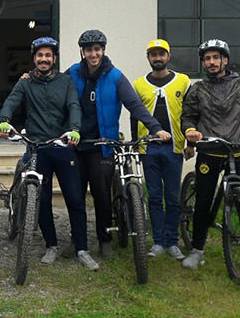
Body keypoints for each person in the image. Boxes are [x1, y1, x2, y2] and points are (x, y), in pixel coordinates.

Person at [64, 30, 171, 259]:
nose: (93, 54)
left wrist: (155, 127)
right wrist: (29, 77)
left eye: (97, 49)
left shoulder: (115, 76)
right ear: (82, 52)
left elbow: (135, 104)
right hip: (76, 144)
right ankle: (77, 240)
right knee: (75, 196)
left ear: (103, 50)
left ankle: (105, 239)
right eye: (89, 49)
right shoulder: (73, 73)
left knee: (102, 195)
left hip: (102, 146)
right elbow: (54, 91)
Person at [0, 36, 100, 271]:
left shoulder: (66, 82)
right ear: (34, 59)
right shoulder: (25, 83)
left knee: (75, 198)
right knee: (41, 199)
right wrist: (4, 120)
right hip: (37, 148)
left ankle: (82, 248)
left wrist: (74, 129)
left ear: (54, 58)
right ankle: (51, 245)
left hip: (63, 146)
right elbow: (12, 101)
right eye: (40, 56)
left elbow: (74, 105)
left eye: (48, 55)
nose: (44, 59)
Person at [180, 39, 240, 272]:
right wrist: (190, 131)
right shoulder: (197, 89)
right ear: (203, 62)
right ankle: (197, 250)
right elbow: (188, 116)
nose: (211, 62)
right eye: (207, 58)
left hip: (239, 149)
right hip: (210, 151)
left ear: (225, 59)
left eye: (216, 57)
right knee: (203, 201)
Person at [131, 39, 193, 261]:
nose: (157, 58)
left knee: (173, 197)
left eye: (161, 54)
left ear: (168, 56)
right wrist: (135, 144)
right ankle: (158, 241)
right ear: (148, 58)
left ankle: (172, 241)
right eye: (153, 54)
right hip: (148, 149)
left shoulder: (183, 82)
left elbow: (190, 114)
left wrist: (191, 144)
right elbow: (134, 115)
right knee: (154, 196)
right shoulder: (138, 85)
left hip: (174, 147)